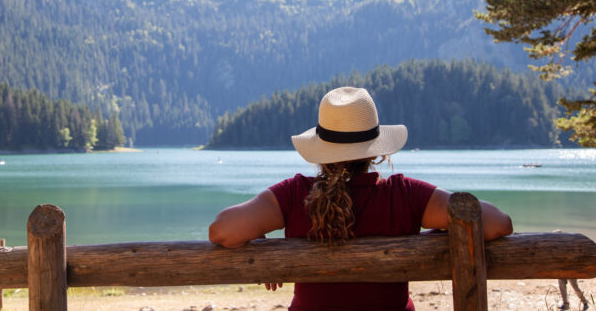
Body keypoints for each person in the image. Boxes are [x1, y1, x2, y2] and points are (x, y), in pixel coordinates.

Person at [209, 86, 513, 311]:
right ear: (375, 151)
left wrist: (260, 238)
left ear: (321, 148)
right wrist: (442, 235)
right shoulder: (404, 195)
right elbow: (498, 224)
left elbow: (222, 230)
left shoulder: (295, 194)